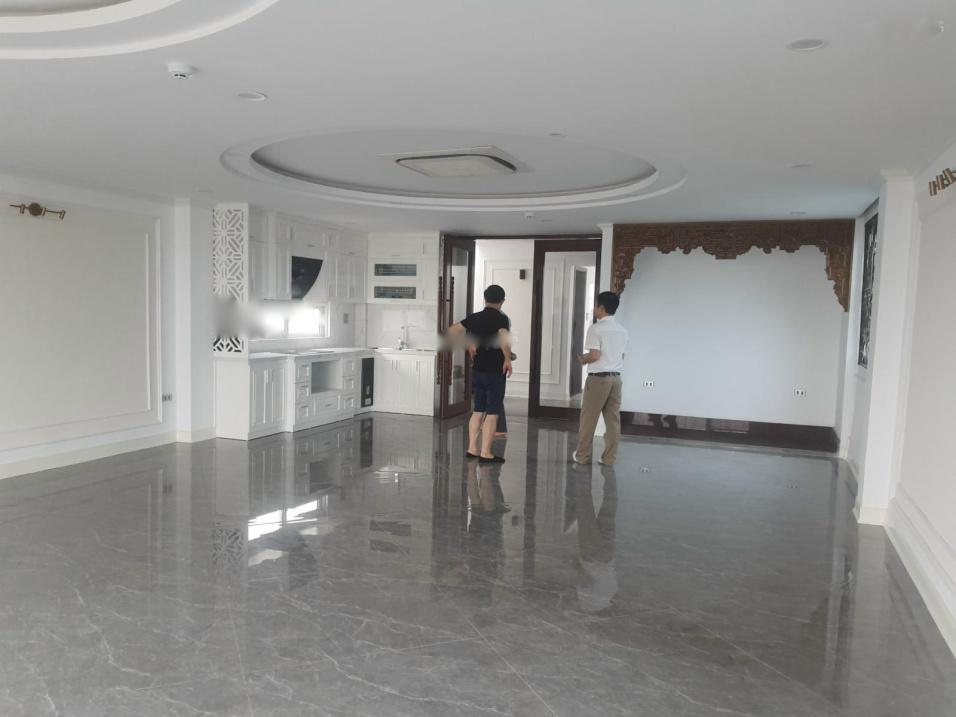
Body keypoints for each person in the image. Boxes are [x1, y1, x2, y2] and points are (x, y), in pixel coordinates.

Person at [449, 285, 512, 463]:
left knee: (478, 410)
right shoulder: (501, 319)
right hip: (495, 371)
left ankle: (472, 449)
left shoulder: (475, 318)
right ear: (502, 301)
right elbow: (503, 339)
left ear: (485, 299)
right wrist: (507, 359)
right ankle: (486, 453)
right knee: (492, 412)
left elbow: (452, 330)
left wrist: (468, 343)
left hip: (477, 370)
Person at [572, 291, 628, 466]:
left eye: (595, 305)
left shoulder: (595, 329)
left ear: (602, 308)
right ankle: (609, 458)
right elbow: (622, 356)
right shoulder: (622, 330)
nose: (594, 308)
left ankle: (582, 456)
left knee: (588, 420)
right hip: (616, 379)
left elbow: (595, 355)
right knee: (613, 421)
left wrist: (582, 359)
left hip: (598, 380)